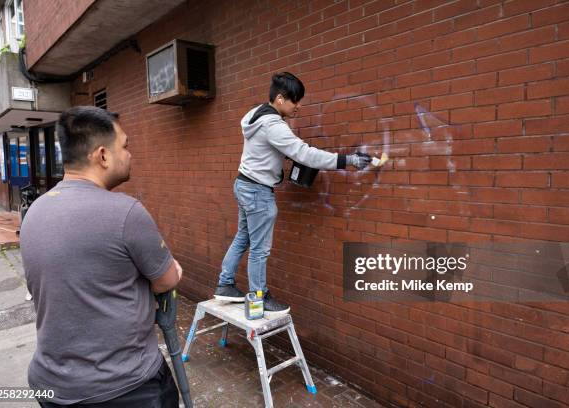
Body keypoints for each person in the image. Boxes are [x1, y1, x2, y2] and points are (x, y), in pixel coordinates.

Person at [20, 106, 183, 407]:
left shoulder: (34, 212)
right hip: (125, 388)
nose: (130, 154)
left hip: (51, 386)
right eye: (125, 146)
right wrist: (171, 269)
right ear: (102, 156)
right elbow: (166, 281)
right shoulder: (125, 212)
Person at [214, 72, 372, 313]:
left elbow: (270, 148)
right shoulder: (273, 125)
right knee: (259, 249)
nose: (298, 106)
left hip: (244, 184)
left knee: (243, 238)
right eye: (295, 100)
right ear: (279, 99)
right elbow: (305, 154)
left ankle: (225, 284)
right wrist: (347, 159)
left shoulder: (256, 114)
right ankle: (259, 297)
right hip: (257, 191)